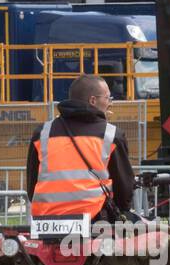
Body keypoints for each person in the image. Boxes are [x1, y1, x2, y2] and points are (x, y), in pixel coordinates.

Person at [26, 74, 135, 225]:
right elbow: (124, 188)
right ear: (93, 100)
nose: (110, 103)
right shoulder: (111, 135)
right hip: (94, 222)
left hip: (45, 223)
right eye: (108, 98)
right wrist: (121, 211)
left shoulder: (42, 133)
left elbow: (32, 185)